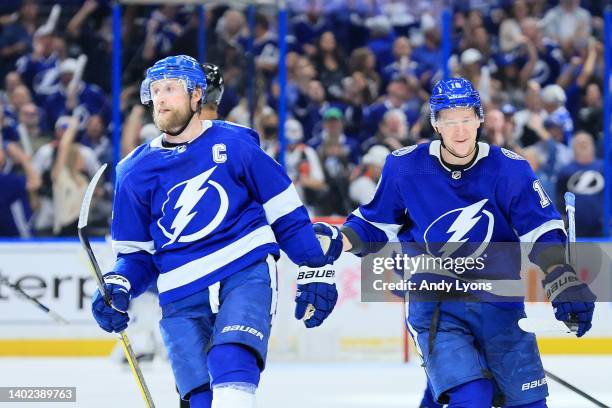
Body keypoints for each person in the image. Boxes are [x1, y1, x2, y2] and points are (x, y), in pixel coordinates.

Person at [89, 55, 343, 408]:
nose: (160, 99)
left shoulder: (238, 144)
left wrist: (315, 265)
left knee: (231, 364)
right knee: (199, 399)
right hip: (180, 289)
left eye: (171, 90)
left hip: (243, 268)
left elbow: (285, 213)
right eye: (156, 91)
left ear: (196, 96)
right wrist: (120, 284)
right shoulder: (133, 171)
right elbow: (136, 255)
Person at [328, 78, 595, 407]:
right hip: (438, 305)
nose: (460, 131)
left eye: (467, 119)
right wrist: (338, 241)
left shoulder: (510, 169)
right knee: (472, 397)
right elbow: (375, 224)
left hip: (500, 306)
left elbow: (540, 230)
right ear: (435, 124)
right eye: (449, 121)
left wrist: (561, 275)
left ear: (480, 119)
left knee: (529, 405)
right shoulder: (406, 167)